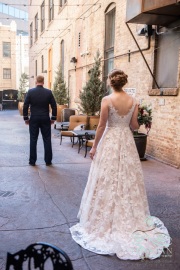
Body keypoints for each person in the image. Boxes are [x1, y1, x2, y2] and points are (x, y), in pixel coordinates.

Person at [70, 69, 171, 260]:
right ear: (124, 83)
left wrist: (94, 147)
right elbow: (134, 126)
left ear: (111, 83)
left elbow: (101, 125)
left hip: (110, 140)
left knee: (106, 177)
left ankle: (103, 219)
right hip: (126, 140)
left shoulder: (107, 100)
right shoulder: (133, 101)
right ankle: (132, 218)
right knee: (128, 176)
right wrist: (131, 120)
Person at [23, 75, 57, 166]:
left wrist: (26, 118)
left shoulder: (30, 92)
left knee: (33, 139)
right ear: (43, 82)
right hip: (45, 118)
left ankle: (32, 161)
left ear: (36, 81)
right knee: (47, 139)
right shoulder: (48, 92)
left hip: (34, 119)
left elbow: (25, 105)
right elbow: (54, 106)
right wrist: (53, 118)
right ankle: (48, 161)